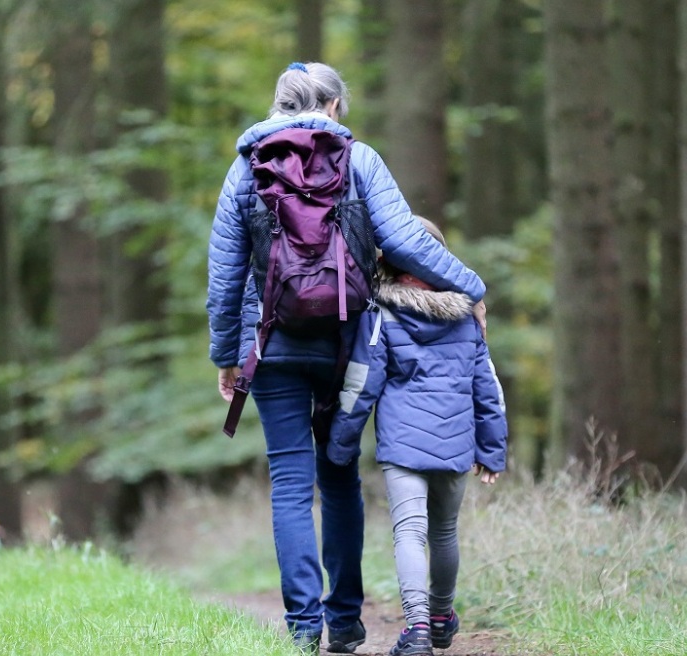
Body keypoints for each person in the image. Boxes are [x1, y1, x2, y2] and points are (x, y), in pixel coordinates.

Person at [206, 62, 487, 654]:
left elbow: (225, 276)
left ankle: (303, 627)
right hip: (347, 344)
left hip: (273, 343)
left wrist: (227, 356)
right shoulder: (360, 159)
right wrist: (472, 288)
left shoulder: (245, 169)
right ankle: (347, 620)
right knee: (339, 477)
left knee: (289, 482)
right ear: (334, 106)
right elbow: (407, 240)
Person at [328, 217, 507, 656]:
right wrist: (492, 448)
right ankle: (443, 617)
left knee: (410, 532)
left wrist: (341, 443)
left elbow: (361, 383)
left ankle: (419, 631)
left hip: (404, 446)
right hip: (456, 443)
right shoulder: (467, 316)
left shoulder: (381, 313)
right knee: (445, 531)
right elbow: (488, 387)